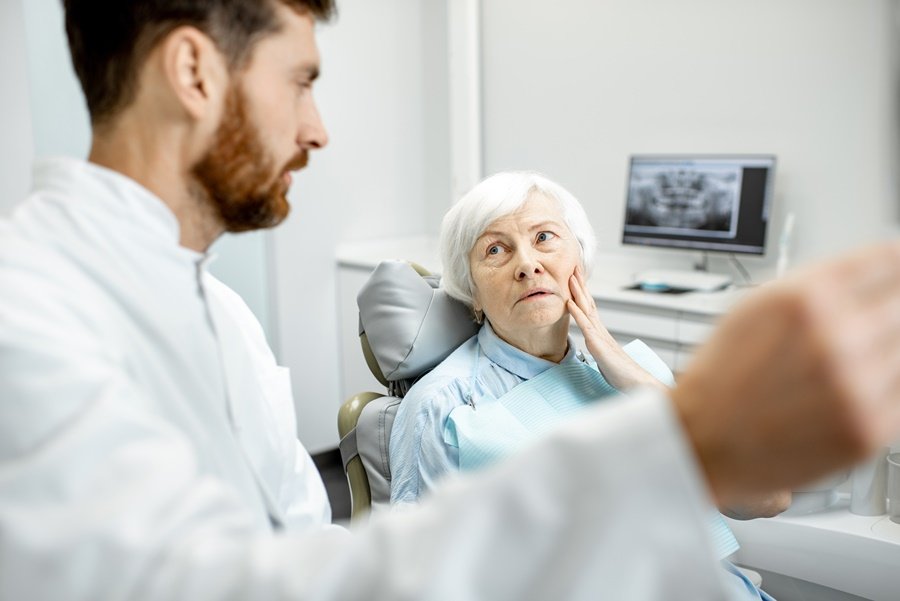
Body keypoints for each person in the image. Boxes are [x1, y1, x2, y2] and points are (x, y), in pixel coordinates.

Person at [1, 1, 899, 599]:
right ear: (195, 72)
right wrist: (686, 434)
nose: (317, 129)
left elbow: (314, 554)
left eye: (547, 238)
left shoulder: (227, 321)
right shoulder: (29, 320)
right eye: (302, 80)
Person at [388, 171, 786, 599]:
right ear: (473, 292)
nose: (527, 264)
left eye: (544, 238)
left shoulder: (633, 375)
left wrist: (632, 379)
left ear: (580, 258)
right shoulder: (444, 404)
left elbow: (766, 500)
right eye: (496, 250)